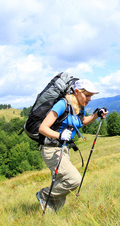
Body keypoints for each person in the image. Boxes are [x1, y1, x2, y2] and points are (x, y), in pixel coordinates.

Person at [36, 79, 108, 212]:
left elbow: (82, 122)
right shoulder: (62, 104)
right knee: (73, 179)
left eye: (91, 96)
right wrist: (59, 135)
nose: (89, 99)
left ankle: (51, 214)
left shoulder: (79, 107)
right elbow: (42, 128)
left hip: (63, 149)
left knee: (61, 181)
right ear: (76, 92)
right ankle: (44, 195)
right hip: (51, 148)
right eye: (87, 95)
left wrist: (96, 115)